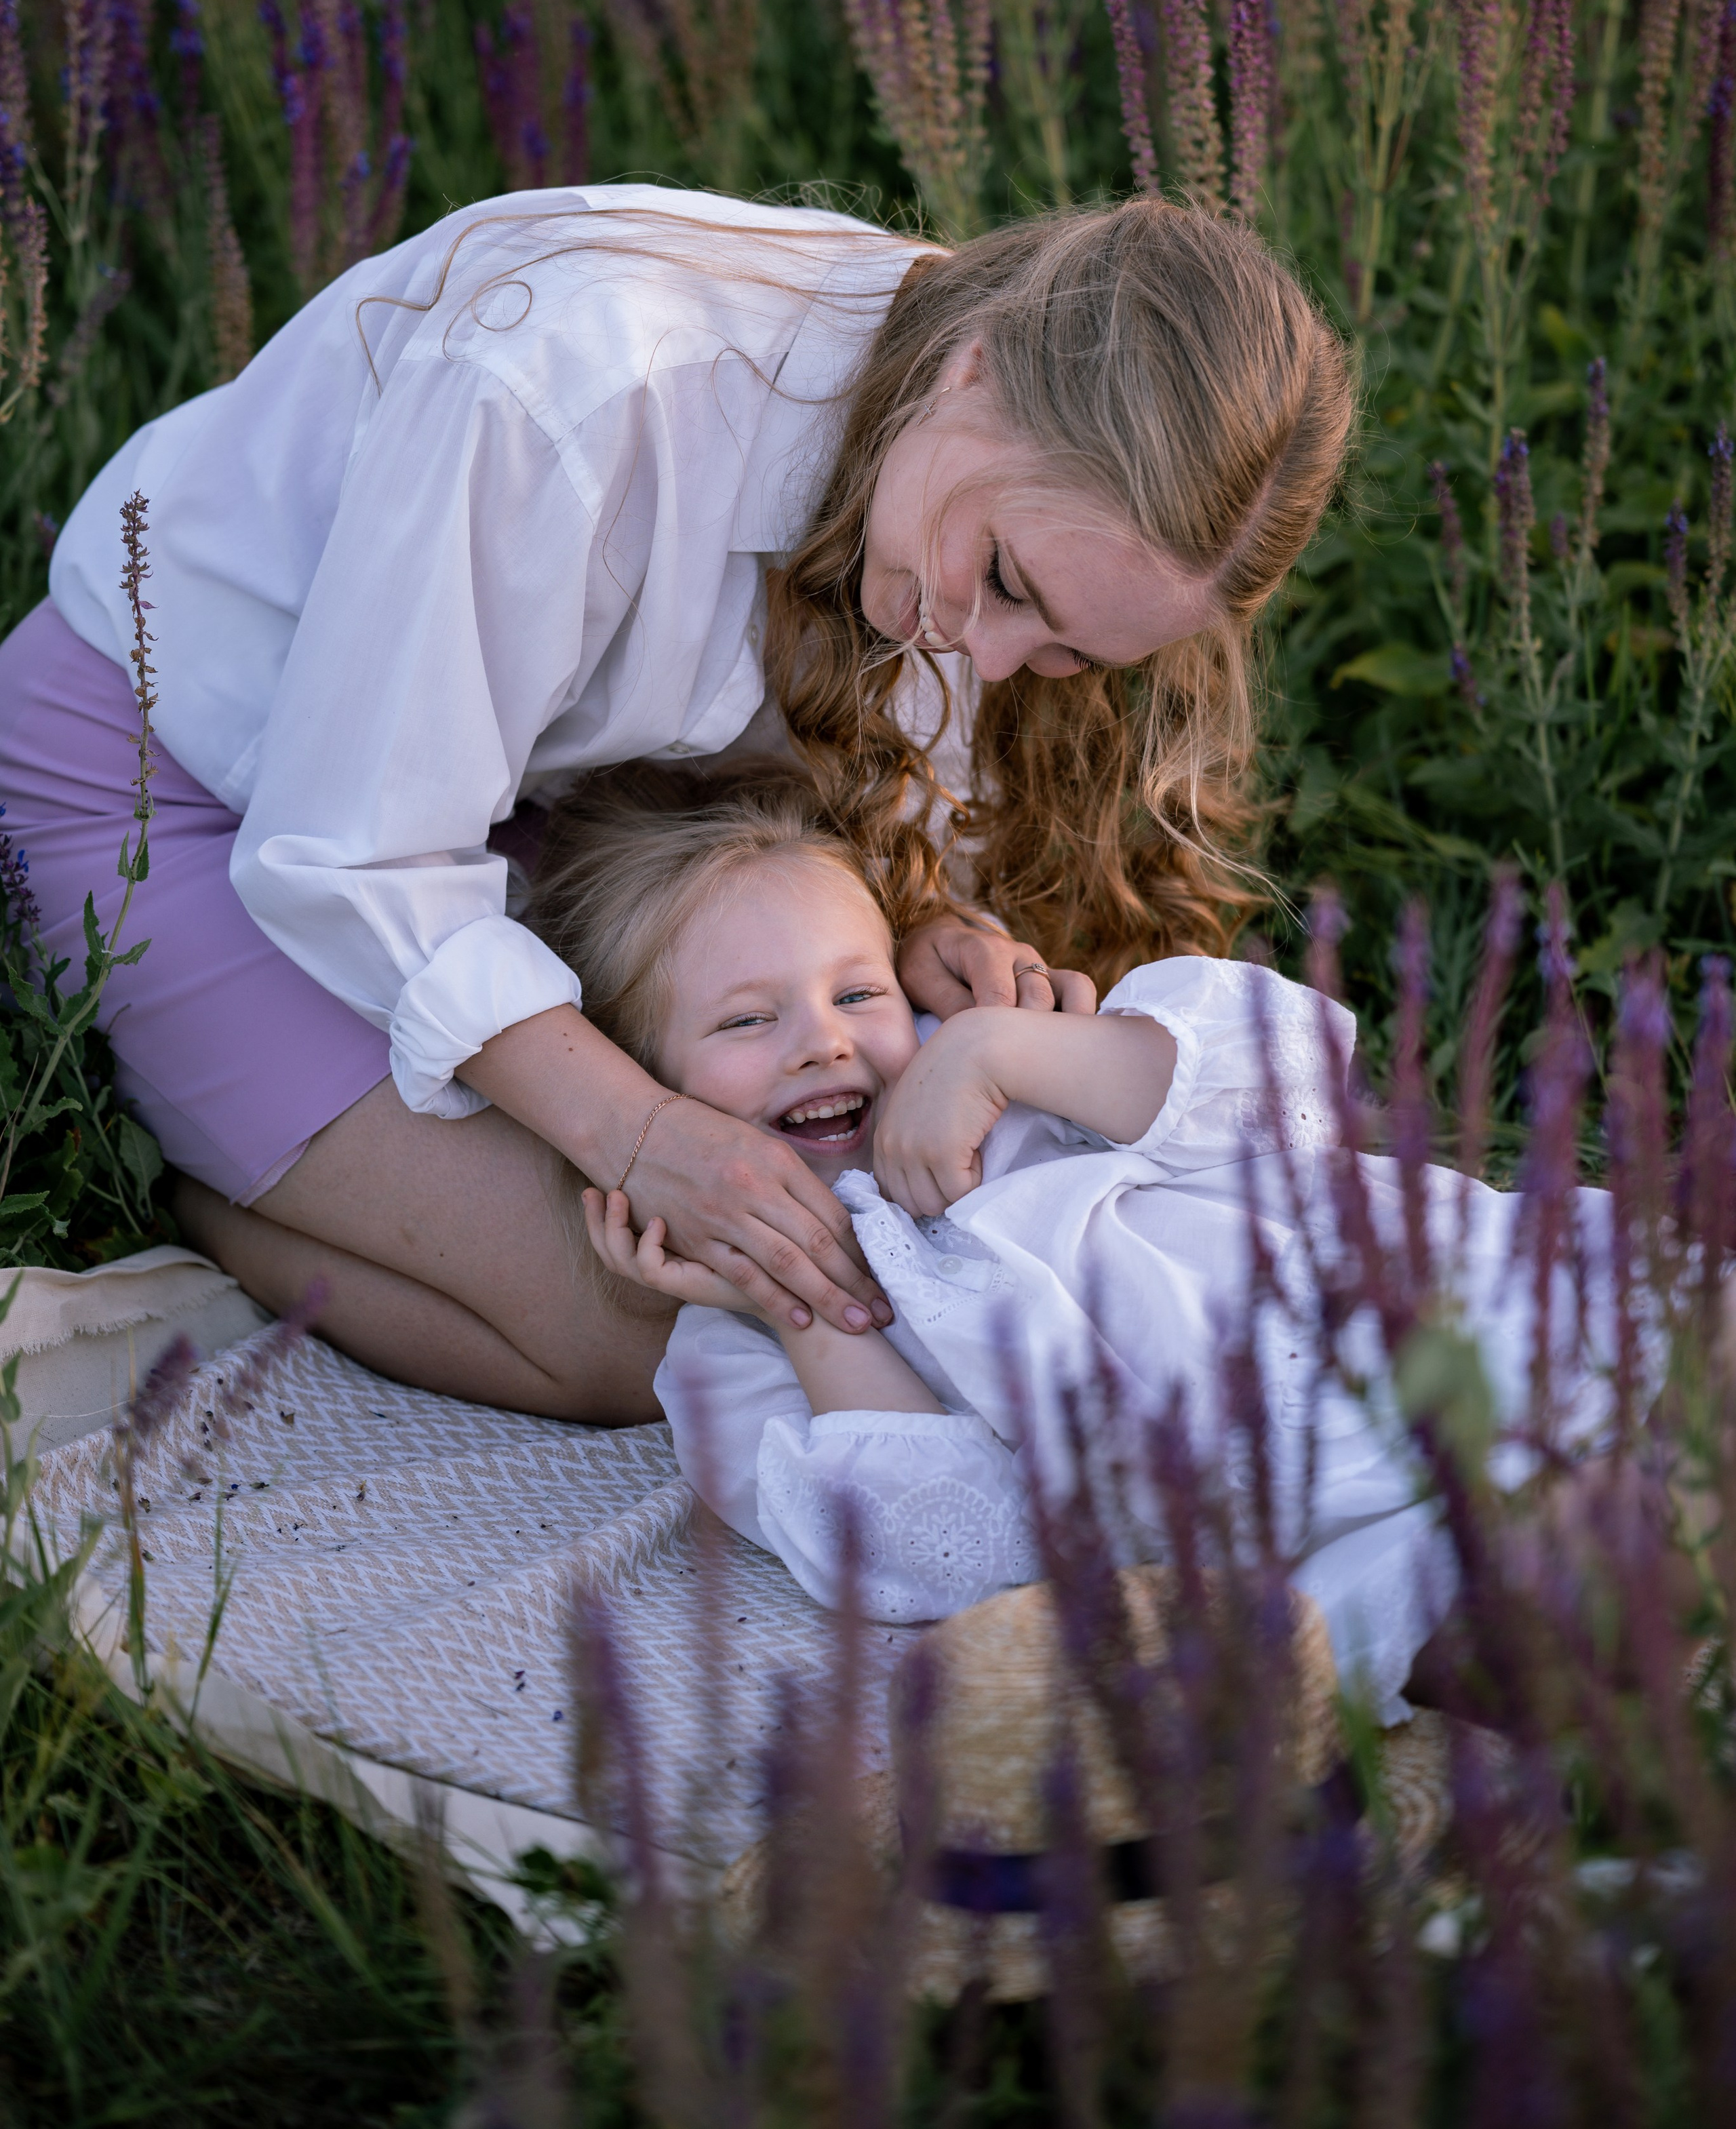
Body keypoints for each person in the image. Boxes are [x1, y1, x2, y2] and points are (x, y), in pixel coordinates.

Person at [0, 185, 1353, 1424]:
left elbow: (760, 744)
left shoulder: (949, 439)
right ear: (972, 369)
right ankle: (201, 1179)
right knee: (635, 1324)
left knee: (794, 1231)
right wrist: (638, 1134)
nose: (987, 660)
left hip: (539, 803)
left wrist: (921, 914)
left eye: (1062, 655)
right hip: (172, 791)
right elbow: (351, 850)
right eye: (1004, 583)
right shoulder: (573, 385)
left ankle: (319, 1147)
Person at [538, 768, 1624, 1725]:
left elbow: (1285, 1081)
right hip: (1255, 1500)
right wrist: (794, 1301)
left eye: (858, 993)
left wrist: (1003, 1049)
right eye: (746, 1021)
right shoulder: (732, 1358)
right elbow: (947, 1553)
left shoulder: (994, 1089)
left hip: (1388, 1314)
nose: (823, 1040)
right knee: (1434, 1594)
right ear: (649, 1087)